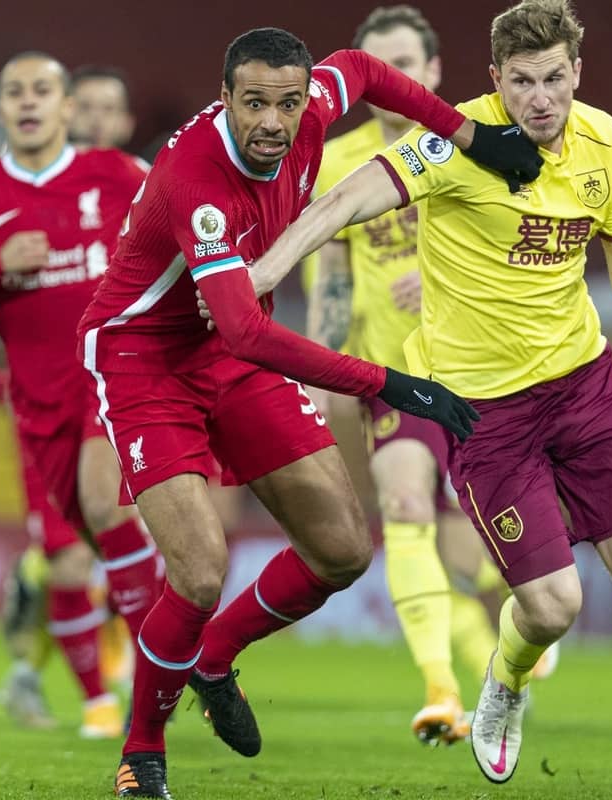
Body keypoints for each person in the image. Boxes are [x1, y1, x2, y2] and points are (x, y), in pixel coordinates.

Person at [219, 3, 612, 797]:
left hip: (583, 387)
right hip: (481, 407)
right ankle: (503, 679)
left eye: (556, 79)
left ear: (579, 73)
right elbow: (346, 200)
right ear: (495, 81)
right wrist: (263, 274)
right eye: (524, 82)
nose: (541, 98)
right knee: (551, 606)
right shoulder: (459, 141)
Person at [77, 26, 541, 798]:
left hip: (231, 351)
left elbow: (360, 69)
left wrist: (470, 136)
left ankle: (214, 657)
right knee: (197, 574)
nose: (272, 121)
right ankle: (141, 752)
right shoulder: (200, 182)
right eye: (253, 102)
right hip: (145, 361)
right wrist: (387, 382)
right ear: (224, 99)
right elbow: (248, 331)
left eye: (286, 104)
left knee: (343, 551)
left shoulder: (313, 110)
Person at [307, 4, 557, 745]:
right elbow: (332, 279)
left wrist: (446, 283)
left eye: (405, 65)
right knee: (407, 505)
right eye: (376, 69)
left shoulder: (479, 144)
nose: (392, 81)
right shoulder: (334, 160)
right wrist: (317, 373)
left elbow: (532, 253)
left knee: (467, 554)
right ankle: (442, 692)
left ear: (434, 72)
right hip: (395, 374)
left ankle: (503, 649)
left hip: (485, 371)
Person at [0, 51, 165, 739]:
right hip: (37, 404)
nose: (28, 102)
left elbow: (185, 244)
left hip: (114, 383)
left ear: (66, 109)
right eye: (13, 92)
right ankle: (95, 699)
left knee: (104, 508)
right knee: (65, 557)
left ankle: (159, 681)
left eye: (42, 91)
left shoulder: (117, 176)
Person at [0, 305, 134, 730]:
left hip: (117, 411)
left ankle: (44, 603)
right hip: (45, 424)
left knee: (131, 546)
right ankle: (98, 703)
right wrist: (5, 387)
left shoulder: (116, 250)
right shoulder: (20, 266)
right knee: (70, 561)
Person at [70, 65, 137, 151]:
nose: (96, 119)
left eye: (109, 108)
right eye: (85, 107)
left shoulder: (140, 165)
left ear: (128, 124)